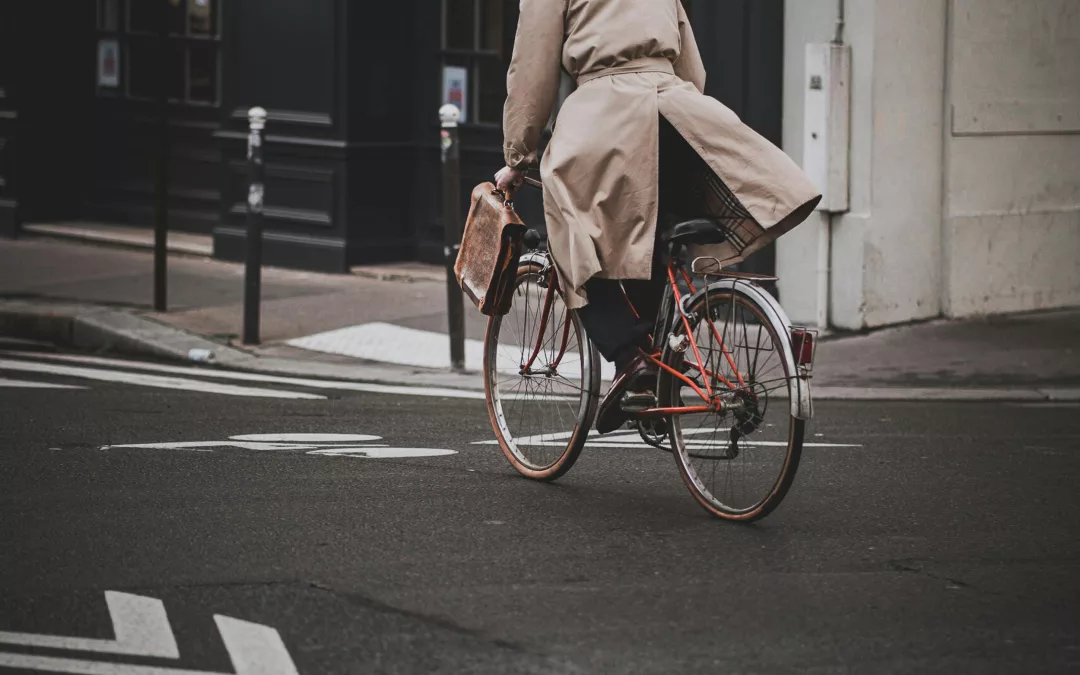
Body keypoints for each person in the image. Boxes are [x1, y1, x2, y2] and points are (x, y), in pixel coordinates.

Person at [495, 0, 821, 434]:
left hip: (602, 114)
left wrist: (519, 157)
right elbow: (692, 67)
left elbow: (531, 72)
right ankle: (658, 364)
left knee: (571, 240)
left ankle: (632, 360)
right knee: (651, 239)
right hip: (675, 108)